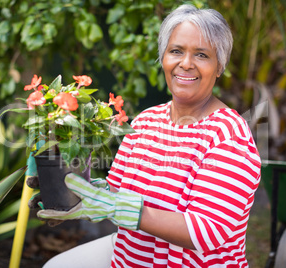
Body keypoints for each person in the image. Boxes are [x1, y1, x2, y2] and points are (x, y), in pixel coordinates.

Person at [28, 4, 261, 267]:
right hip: (127, 258)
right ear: (163, 58)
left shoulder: (229, 136)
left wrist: (120, 208)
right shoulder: (146, 121)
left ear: (219, 67)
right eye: (176, 51)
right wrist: (70, 195)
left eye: (202, 55)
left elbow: (206, 232)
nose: (185, 63)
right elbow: (116, 191)